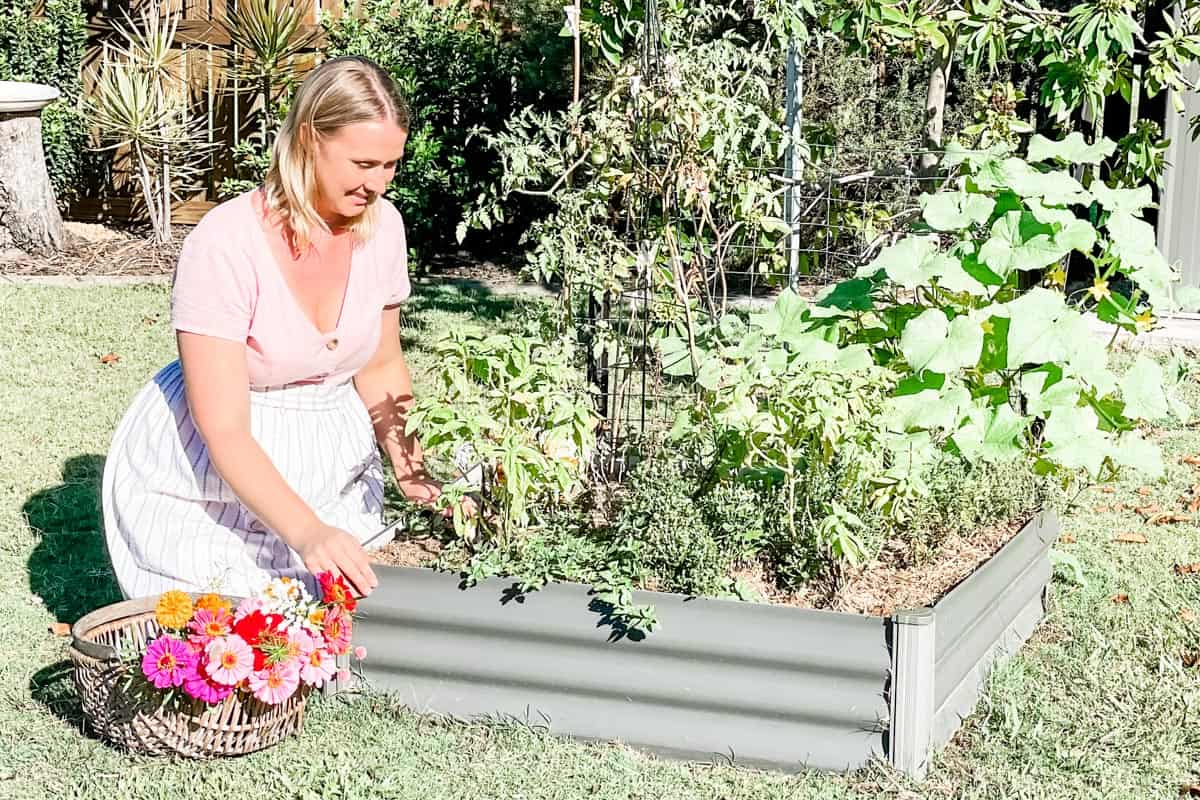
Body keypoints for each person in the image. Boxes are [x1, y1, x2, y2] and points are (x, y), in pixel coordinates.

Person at [102, 55, 451, 601]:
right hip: (218, 477)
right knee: (243, 632)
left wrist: (412, 471)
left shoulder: (384, 229)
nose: (378, 184)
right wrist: (307, 531)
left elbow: (381, 364)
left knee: (343, 616)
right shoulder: (224, 243)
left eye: (390, 166)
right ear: (310, 138)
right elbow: (223, 427)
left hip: (329, 457)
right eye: (363, 164)